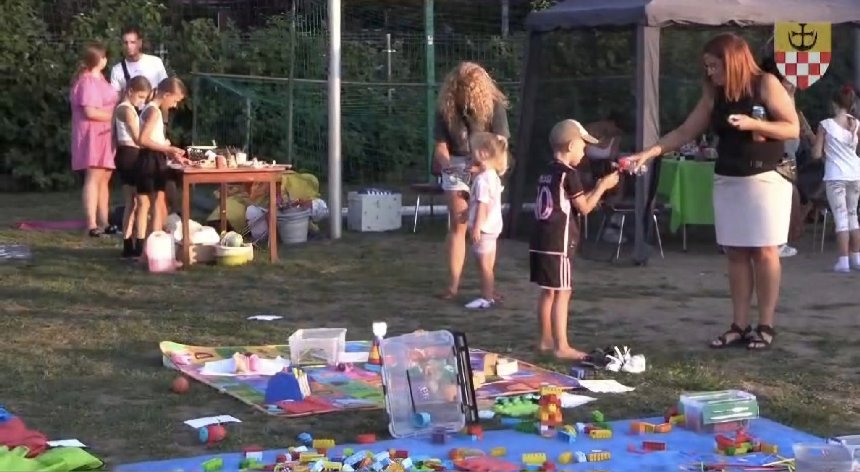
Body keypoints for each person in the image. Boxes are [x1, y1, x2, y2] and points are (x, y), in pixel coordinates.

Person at [626, 33, 799, 351]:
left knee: (765, 251)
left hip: (767, 179)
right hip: (728, 179)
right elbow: (685, 131)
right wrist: (648, 153)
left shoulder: (765, 84)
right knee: (735, 252)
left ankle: (765, 325)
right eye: (706, 66)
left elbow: (791, 127)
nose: (709, 72)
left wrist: (755, 125)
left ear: (732, 61)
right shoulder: (714, 94)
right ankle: (739, 325)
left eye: (714, 65)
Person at [529, 119, 620, 360]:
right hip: (559, 241)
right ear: (570, 146)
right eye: (582, 146)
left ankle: (544, 340)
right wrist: (602, 186)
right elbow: (585, 208)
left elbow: (568, 203)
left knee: (548, 291)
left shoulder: (547, 172)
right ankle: (562, 346)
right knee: (563, 291)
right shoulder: (569, 174)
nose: (584, 151)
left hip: (540, 240)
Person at [434, 62, 510, 300]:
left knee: (485, 229)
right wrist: (449, 166)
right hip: (457, 164)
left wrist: (483, 167)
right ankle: (453, 285)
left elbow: (500, 145)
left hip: (487, 165)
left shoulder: (494, 106)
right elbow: (441, 147)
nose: (466, 95)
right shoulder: (446, 109)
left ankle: (487, 285)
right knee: (459, 223)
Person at [760, 56, 816, 257]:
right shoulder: (778, 93)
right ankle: (779, 240)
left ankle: (781, 239)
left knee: (786, 192)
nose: (792, 82)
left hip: (787, 150)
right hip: (783, 150)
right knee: (784, 193)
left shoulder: (785, 94)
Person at [70, 42, 119, 237]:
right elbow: (90, 112)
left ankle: (104, 221)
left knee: (105, 178)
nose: (106, 60)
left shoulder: (101, 79)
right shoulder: (87, 81)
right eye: (104, 56)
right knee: (93, 176)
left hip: (106, 134)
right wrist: (116, 117)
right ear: (98, 59)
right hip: (93, 134)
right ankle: (91, 223)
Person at [134, 78, 188, 252]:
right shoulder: (154, 112)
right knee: (157, 203)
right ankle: (154, 247)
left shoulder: (148, 108)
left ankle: (142, 247)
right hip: (151, 159)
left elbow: (153, 139)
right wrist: (168, 148)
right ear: (166, 95)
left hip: (148, 157)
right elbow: (143, 139)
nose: (174, 105)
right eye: (174, 100)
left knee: (145, 204)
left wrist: (172, 154)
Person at [811, 85, 860, 272]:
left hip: (836, 175)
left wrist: (819, 147)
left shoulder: (825, 125)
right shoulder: (856, 124)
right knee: (853, 215)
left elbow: (816, 154)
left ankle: (843, 260)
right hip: (855, 174)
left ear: (834, 104)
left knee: (841, 217)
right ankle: (856, 257)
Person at [464, 132, 509, 310]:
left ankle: (487, 297)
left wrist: (477, 227)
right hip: (493, 227)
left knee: (483, 265)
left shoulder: (483, 180)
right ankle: (490, 292)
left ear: (483, 153)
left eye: (473, 151)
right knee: (488, 264)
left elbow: (483, 205)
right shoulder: (492, 175)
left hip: (484, 229)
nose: (471, 155)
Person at [113, 76, 153, 258]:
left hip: (125, 155)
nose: (142, 101)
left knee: (132, 202)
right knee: (142, 202)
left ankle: (129, 244)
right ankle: (138, 243)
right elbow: (138, 139)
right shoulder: (127, 110)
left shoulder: (123, 109)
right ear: (130, 91)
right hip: (131, 156)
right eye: (141, 96)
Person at [110, 26, 168, 94]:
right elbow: (115, 96)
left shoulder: (155, 62)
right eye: (125, 43)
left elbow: (166, 88)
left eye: (132, 42)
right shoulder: (117, 70)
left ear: (140, 43)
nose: (129, 46)